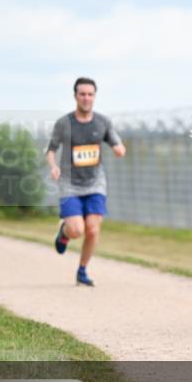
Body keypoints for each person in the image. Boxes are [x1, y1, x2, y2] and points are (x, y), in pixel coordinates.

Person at [47, 77, 126, 286]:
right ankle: (64, 233)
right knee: (77, 230)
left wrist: (119, 149)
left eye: (90, 94)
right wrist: (53, 166)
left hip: (95, 182)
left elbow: (116, 142)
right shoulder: (64, 123)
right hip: (70, 184)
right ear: (75, 96)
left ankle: (82, 270)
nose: (86, 98)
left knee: (92, 229)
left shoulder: (102, 122)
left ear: (94, 97)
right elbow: (51, 150)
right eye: (82, 94)